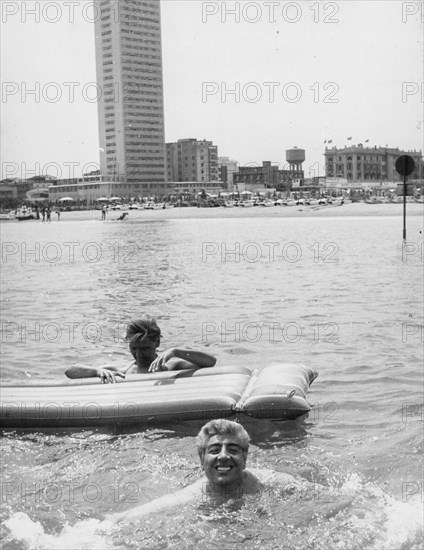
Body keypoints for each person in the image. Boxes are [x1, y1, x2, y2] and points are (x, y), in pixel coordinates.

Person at [104, 419, 303, 524]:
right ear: (201, 460)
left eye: (233, 450)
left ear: (245, 458)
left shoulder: (271, 481)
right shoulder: (190, 497)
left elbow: (323, 495)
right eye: (214, 450)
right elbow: (127, 517)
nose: (223, 456)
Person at [64, 315, 216, 383]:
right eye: (133, 348)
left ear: (157, 343)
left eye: (144, 348)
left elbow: (210, 362)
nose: (138, 353)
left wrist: (176, 351)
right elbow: (70, 371)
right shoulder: (123, 371)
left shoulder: (171, 366)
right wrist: (96, 371)